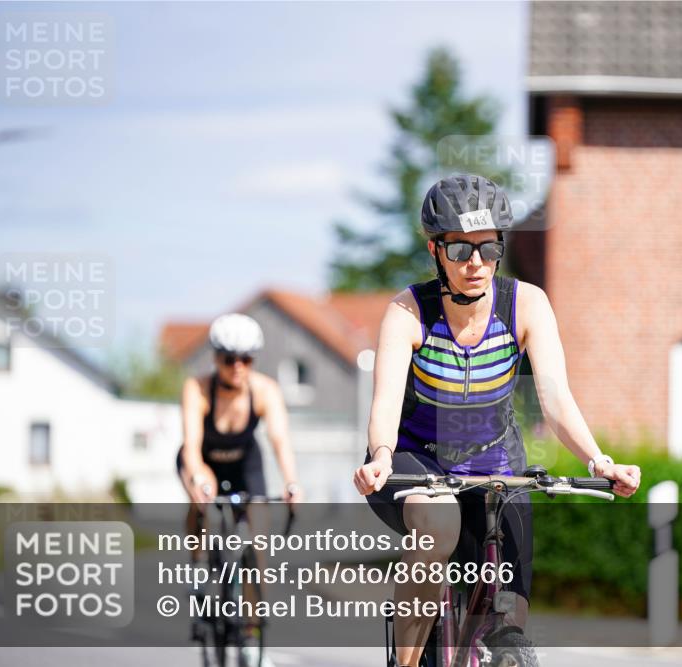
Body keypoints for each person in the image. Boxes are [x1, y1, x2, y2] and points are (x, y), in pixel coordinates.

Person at [353, 174, 642, 667]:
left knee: (513, 613)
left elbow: (554, 398)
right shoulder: (408, 311)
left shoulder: (526, 304)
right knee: (439, 527)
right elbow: (384, 405)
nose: (475, 264)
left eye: (487, 248)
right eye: (460, 250)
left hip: (495, 462)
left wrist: (599, 461)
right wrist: (381, 457)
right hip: (415, 460)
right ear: (434, 250)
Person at [176, 312, 301, 667]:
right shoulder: (198, 388)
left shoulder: (264, 391)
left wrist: (291, 483)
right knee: (202, 495)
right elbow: (191, 443)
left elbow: (279, 440)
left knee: (258, 540)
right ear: (216, 358)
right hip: (203, 459)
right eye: (229, 359)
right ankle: (199, 564)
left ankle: (250, 634)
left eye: (245, 358)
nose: (237, 367)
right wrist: (198, 476)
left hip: (246, 463)